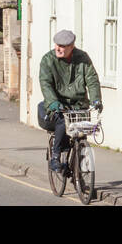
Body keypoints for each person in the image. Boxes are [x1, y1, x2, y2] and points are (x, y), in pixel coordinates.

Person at [37, 29, 102, 171]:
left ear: (71, 46)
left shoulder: (82, 58)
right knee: (61, 121)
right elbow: (45, 83)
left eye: (63, 46)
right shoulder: (48, 60)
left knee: (81, 131)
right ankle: (56, 155)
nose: (58, 48)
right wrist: (53, 103)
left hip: (79, 104)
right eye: (57, 45)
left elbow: (92, 80)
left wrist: (96, 100)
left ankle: (80, 174)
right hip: (57, 103)